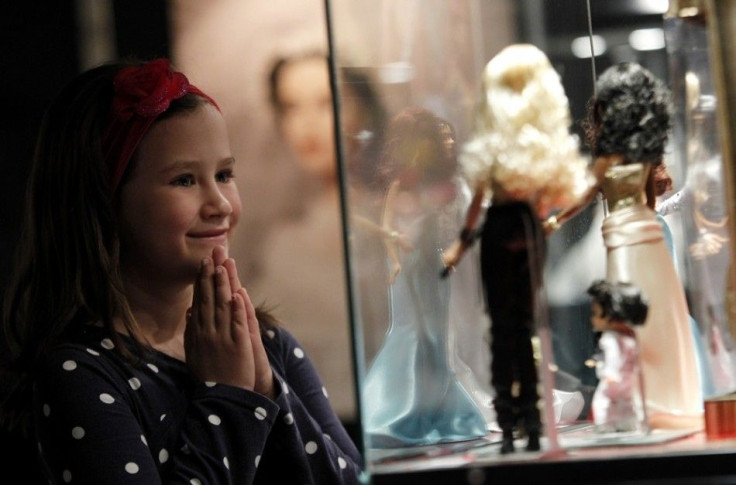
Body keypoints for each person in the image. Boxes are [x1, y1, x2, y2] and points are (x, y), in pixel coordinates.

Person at [0, 58, 361, 484]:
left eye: (225, 174)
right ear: (104, 203)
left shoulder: (268, 345)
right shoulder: (81, 374)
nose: (221, 204)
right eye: (185, 180)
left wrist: (266, 388)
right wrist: (229, 398)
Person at [442, 44, 592, 454]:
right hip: (504, 229)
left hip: (522, 229)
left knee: (520, 328)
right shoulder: (495, 149)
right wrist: (461, 242)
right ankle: (513, 422)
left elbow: (561, 193)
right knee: (507, 330)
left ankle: (526, 420)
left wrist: (550, 216)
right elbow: (477, 204)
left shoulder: (537, 148)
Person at [547, 62, 703, 425]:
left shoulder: (645, 154)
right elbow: (586, 194)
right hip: (622, 236)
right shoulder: (608, 158)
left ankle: (669, 392)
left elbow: (651, 201)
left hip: (645, 231)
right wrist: (554, 220)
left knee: (659, 309)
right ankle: (641, 396)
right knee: (630, 317)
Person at [361, 107, 490, 448]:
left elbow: (451, 223)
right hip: (405, 267)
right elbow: (386, 229)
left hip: (432, 268)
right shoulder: (398, 185)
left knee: (434, 337)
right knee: (408, 331)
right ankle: (395, 409)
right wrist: (394, 260)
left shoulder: (436, 187)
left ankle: (440, 410)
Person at [587, 280, 649, 435]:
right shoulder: (630, 336)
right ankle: (627, 423)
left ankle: (605, 425)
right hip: (628, 379)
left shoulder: (610, 338)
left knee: (603, 401)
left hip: (612, 380)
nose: (592, 319)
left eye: (595, 313)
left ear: (611, 315)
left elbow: (613, 357)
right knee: (627, 403)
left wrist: (610, 374)